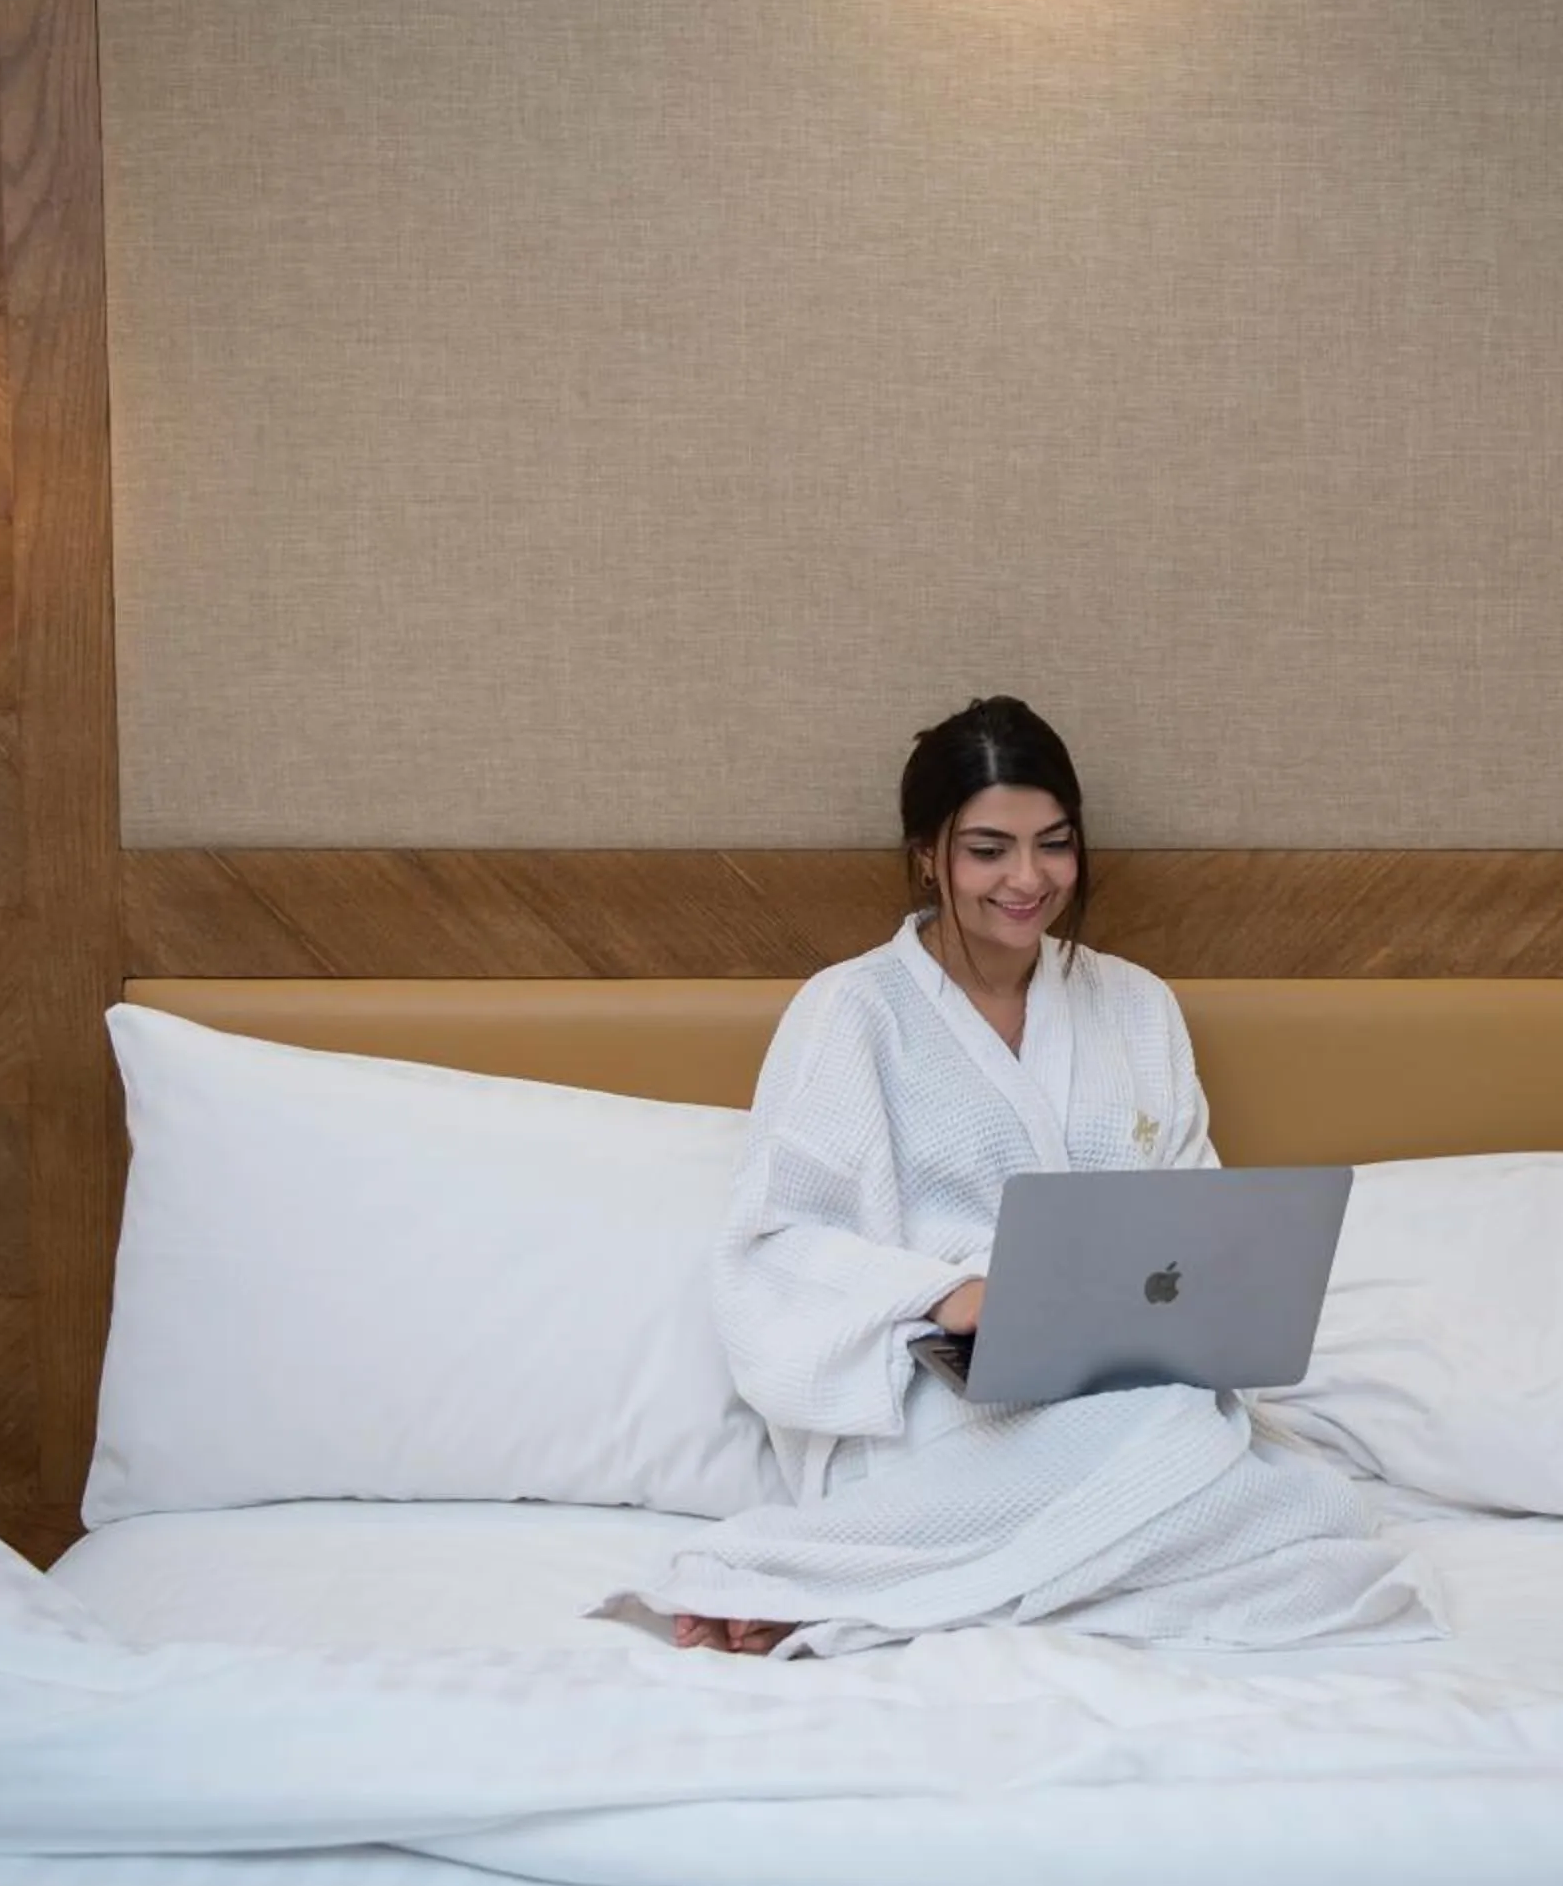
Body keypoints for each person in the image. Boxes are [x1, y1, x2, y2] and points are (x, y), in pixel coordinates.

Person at [610, 696, 1437, 1657]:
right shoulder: (851, 1013)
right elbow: (775, 1248)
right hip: (937, 1386)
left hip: (1129, 1381)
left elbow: (1196, 1217)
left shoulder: (1136, 1006)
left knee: (1317, 1510)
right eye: (989, 849)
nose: (1028, 879)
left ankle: (884, 1585)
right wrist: (952, 1295)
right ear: (930, 853)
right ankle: (808, 1568)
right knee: (1229, 1490)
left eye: (1055, 844)